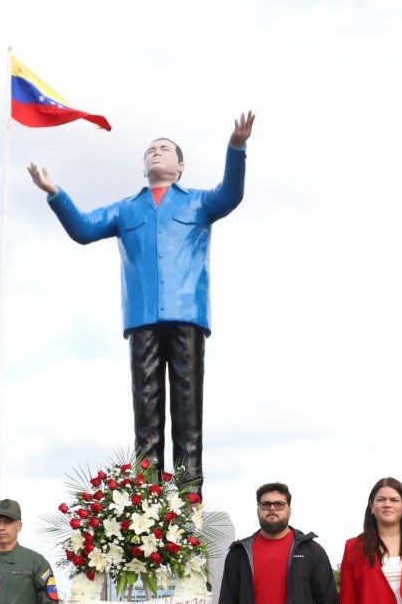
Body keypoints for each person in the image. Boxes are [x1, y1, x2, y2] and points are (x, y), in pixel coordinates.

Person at [29, 113, 255, 488]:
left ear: (180, 167)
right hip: (142, 317)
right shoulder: (126, 209)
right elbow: (84, 229)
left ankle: (188, 501)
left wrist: (237, 147)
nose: (156, 153)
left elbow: (231, 194)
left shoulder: (198, 203)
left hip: (187, 315)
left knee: (188, 415)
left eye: (164, 149)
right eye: (150, 150)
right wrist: (56, 193)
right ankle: (146, 502)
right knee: (146, 416)